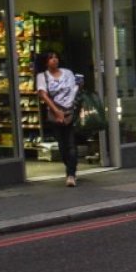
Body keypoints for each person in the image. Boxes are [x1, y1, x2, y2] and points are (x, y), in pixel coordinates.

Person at [36, 51, 82, 187]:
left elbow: (76, 90)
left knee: (71, 145)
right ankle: (70, 168)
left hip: (71, 111)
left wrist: (81, 84)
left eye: (56, 57)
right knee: (62, 146)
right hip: (55, 113)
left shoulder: (67, 73)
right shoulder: (42, 76)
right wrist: (57, 112)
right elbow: (43, 95)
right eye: (51, 58)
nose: (54, 60)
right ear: (45, 62)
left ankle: (71, 174)